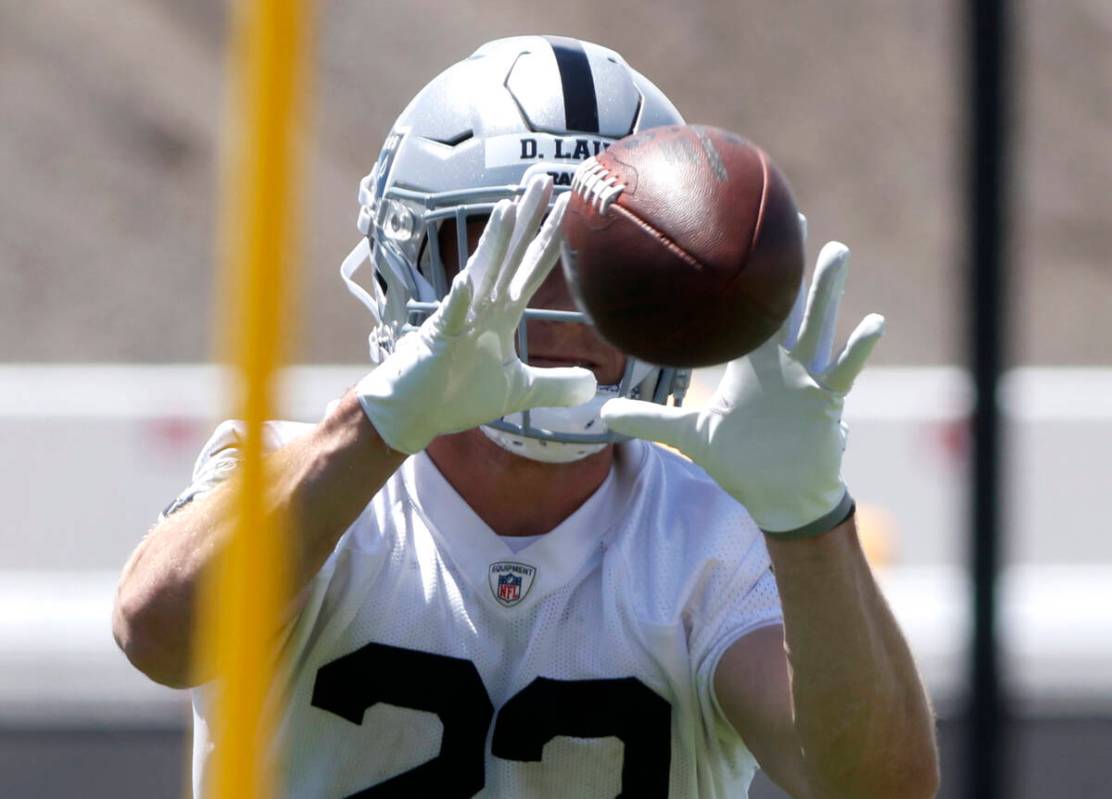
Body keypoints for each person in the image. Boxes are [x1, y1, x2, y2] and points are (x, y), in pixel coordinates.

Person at [113, 35, 939, 798]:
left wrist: (806, 517)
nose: (561, 312)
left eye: (598, 266)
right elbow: (157, 635)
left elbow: (875, 789)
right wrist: (374, 427)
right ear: (414, 264)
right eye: (514, 247)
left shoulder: (710, 539)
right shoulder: (305, 484)